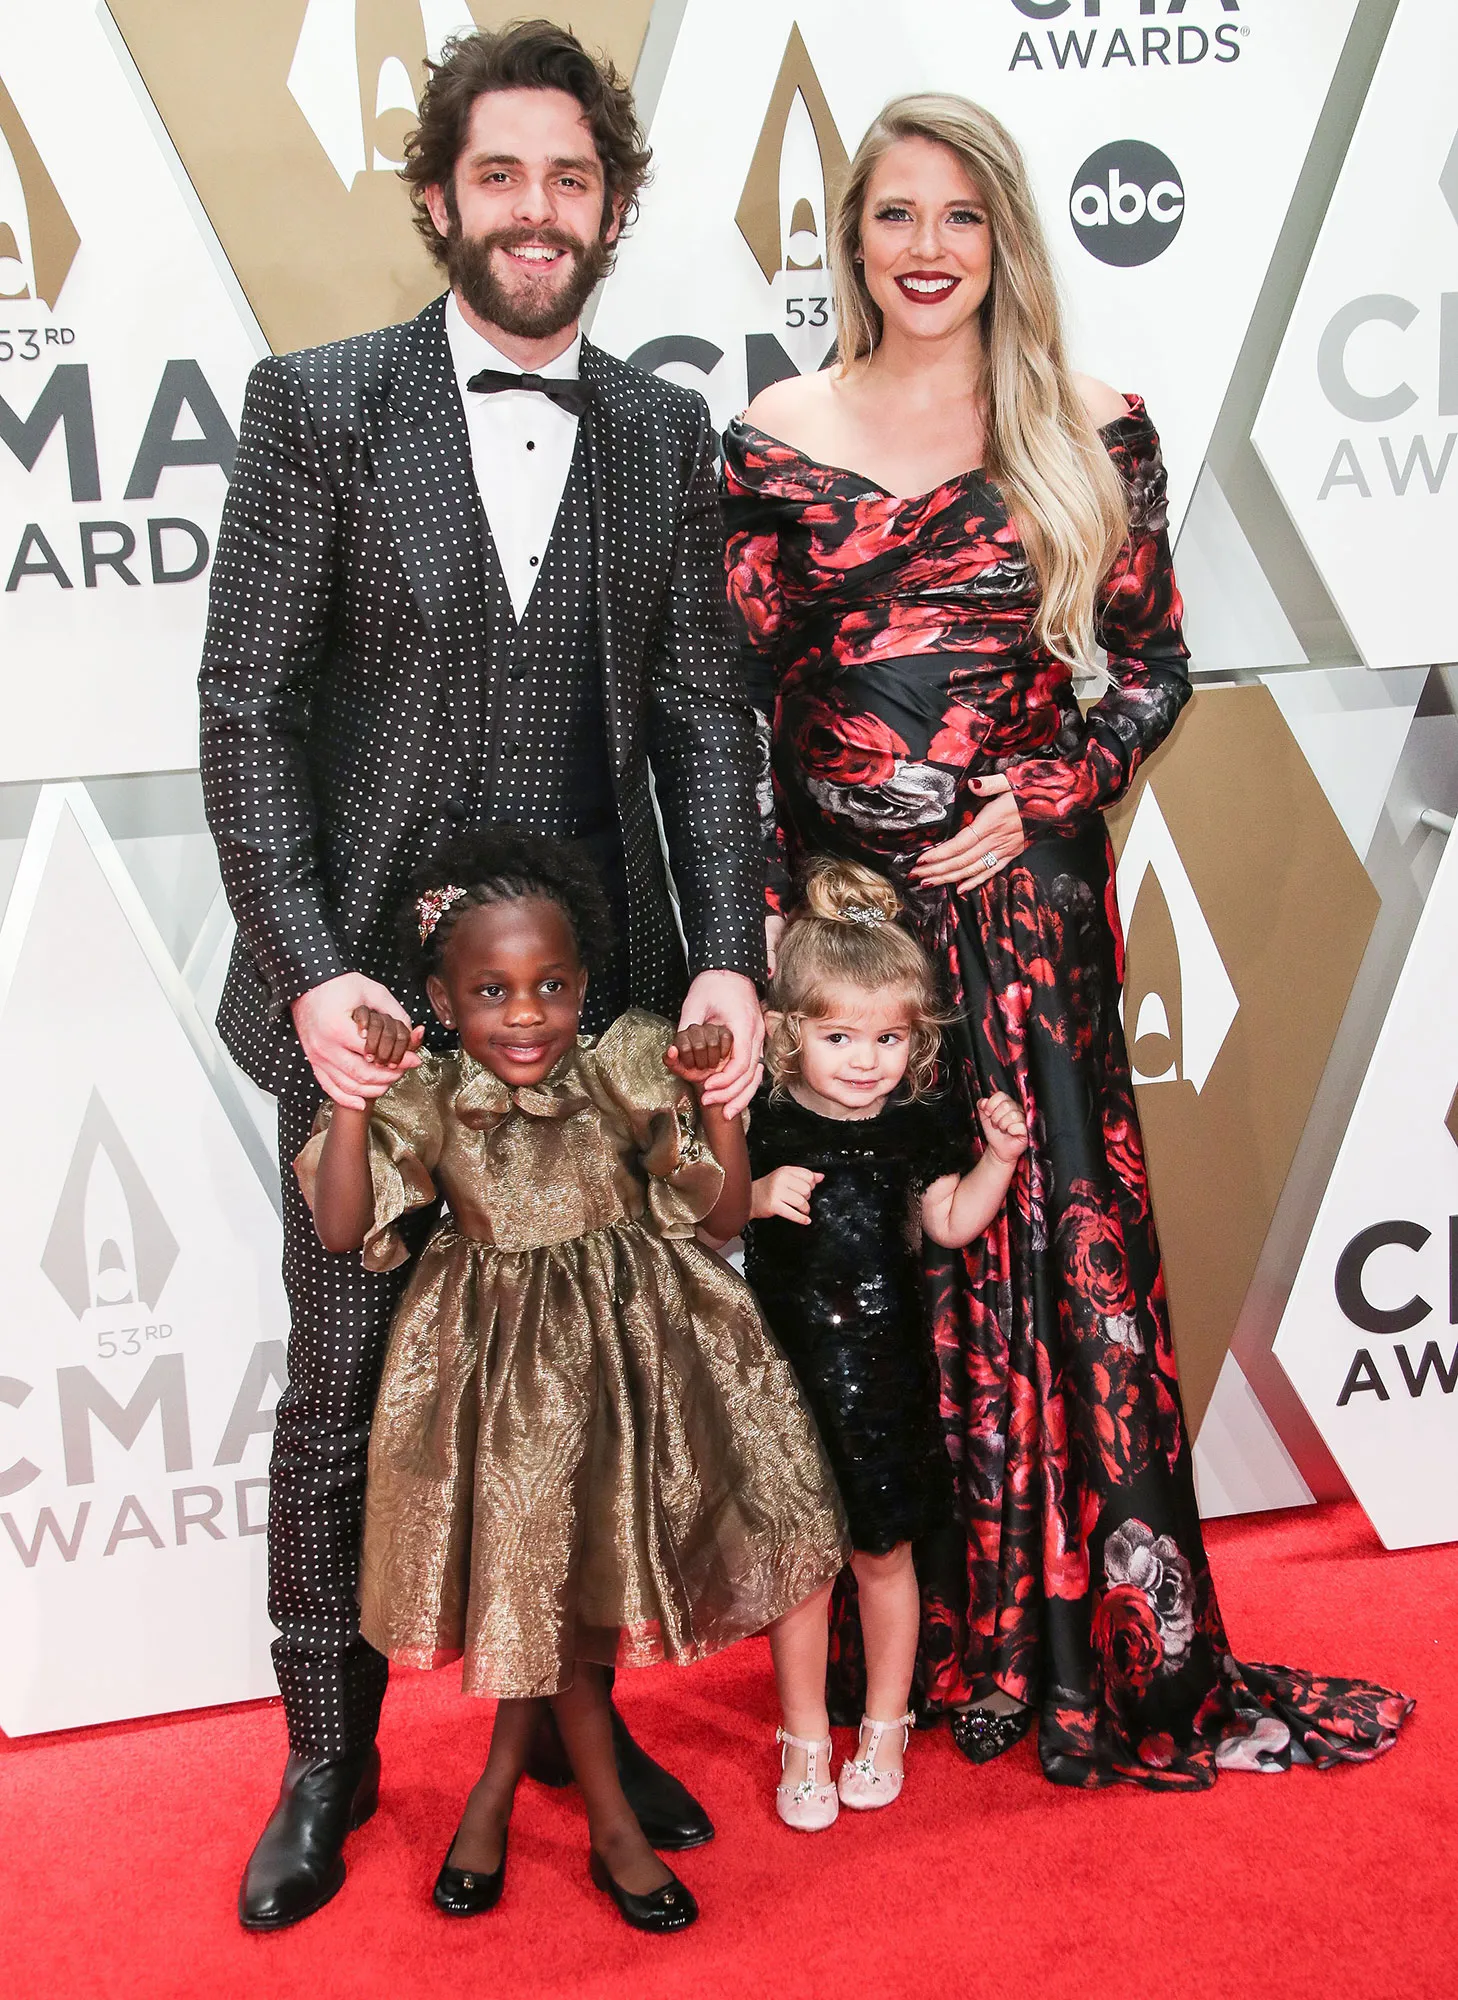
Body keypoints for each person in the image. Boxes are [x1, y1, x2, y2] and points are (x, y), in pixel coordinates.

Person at [722, 93, 1413, 1787]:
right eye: (894, 215)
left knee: (1046, 1249)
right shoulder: (769, 432)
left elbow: (1153, 672)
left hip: (1026, 921)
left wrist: (1041, 790)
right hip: (844, 948)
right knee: (868, 1276)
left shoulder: (1088, 427)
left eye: (961, 215)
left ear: (1007, 234)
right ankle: (917, 1640)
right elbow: (726, 702)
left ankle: (1065, 1636)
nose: (929, 248)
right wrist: (758, 933)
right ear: (848, 236)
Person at [199, 21, 767, 1931]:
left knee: (595, 1375)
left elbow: (700, 713)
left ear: (612, 211)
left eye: (573, 179)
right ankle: (324, 1749)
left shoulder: (665, 434)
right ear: (439, 197)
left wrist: (734, 971)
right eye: (502, 176)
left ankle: (581, 1726)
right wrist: (301, 976)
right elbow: (248, 712)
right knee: (349, 1381)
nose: (539, 212)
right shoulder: (320, 406)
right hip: (367, 996)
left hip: (593, 1021)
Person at [295, 828, 847, 1932]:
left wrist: (719, 1105)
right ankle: (609, 1826)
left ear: (585, 984)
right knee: (539, 1593)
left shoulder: (627, 1062)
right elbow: (344, 1226)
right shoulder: (434, 1093)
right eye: (492, 990)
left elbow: (726, 1214)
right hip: (497, 1386)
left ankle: (495, 1794)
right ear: (443, 1003)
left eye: (551, 984)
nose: (527, 1013)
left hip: (633, 1369)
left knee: (563, 1601)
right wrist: (351, 1093)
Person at [738, 857, 1026, 1829]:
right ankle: (805, 1740)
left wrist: (997, 1156)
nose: (866, 1058)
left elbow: (948, 1220)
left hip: (887, 1385)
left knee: (884, 1558)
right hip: (787, 1387)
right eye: (839, 1035)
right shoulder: (764, 1123)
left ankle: (888, 1722)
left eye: (889, 1036)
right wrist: (751, 1197)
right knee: (802, 1573)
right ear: (786, 1033)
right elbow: (688, 1214)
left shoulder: (910, 1126)